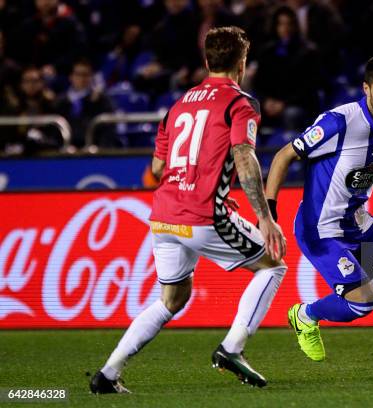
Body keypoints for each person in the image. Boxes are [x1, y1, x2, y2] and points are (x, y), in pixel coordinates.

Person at [90, 26, 287, 393]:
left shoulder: (178, 105)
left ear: (206, 60)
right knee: (273, 265)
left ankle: (108, 374)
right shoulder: (240, 103)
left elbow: (157, 169)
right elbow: (244, 157)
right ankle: (232, 348)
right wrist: (264, 217)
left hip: (163, 216)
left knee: (171, 299)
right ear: (242, 63)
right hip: (203, 214)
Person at [265, 55, 373, 362]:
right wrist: (269, 212)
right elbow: (283, 156)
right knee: (363, 303)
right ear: (366, 88)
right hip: (322, 229)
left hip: (359, 223)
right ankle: (305, 315)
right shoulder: (339, 122)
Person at [55, 59, 116, 147]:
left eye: (86, 75)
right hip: (65, 150)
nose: (82, 78)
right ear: (71, 76)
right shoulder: (60, 102)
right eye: (78, 74)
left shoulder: (102, 100)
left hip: (94, 149)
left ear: (91, 77)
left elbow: (109, 128)